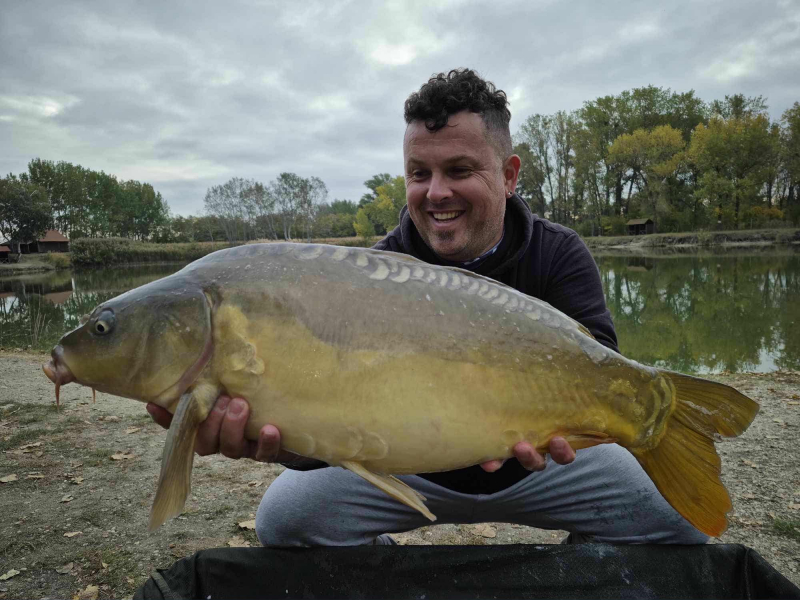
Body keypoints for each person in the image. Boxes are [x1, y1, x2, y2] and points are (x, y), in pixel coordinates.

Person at [147, 69, 707, 546]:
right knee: (285, 521)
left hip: (541, 469)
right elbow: (335, 417)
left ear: (509, 175)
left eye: (459, 171)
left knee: (681, 526)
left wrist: (581, 429)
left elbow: (601, 364)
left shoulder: (558, 252)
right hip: (407, 469)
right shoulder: (367, 278)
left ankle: (582, 576)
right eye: (420, 173)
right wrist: (275, 443)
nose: (436, 192)